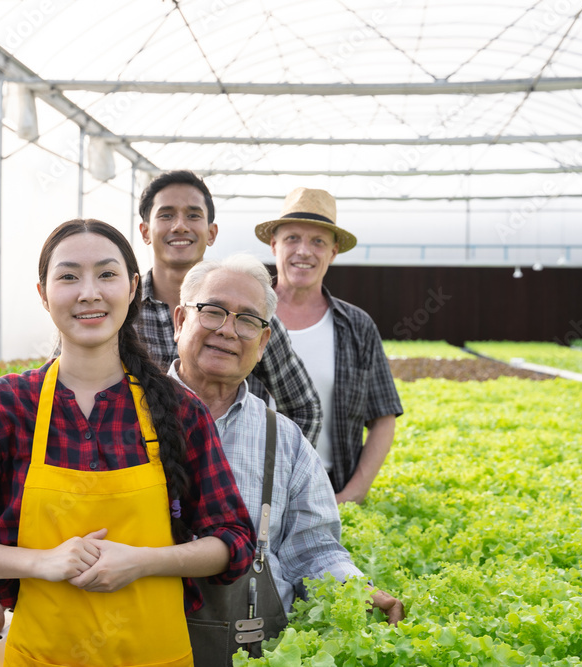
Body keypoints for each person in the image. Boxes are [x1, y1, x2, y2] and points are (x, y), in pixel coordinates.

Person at [0, 219, 256, 666]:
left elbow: (232, 541)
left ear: (133, 287)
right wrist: (41, 563)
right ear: (43, 293)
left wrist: (142, 561)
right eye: (69, 276)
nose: (89, 292)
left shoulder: (178, 410)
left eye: (107, 274)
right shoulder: (6, 407)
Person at [170, 255, 404, 664]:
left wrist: (357, 591)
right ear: (179, 321)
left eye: (247, 321)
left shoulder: (286, 440)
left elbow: (313, 549)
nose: (227, 330)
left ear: (262, 345)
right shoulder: (126, 417)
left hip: (251, 646)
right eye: (212, 312)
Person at [134, 170, 324, 447]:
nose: (179, 226)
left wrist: (272, 472)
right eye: (166, 215)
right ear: (145, 231)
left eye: (193, 215)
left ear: (211, 233)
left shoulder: (252, 318)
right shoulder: (122, 311)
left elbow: (304, 408)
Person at [255, 188, 403, 503]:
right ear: (274, 246)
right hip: (248, 484)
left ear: (333, 252)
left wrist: (352, 494)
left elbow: (383, 419)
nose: (304, 251)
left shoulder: (356, 327)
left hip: (327, 489)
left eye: (318, 241)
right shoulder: (247, 316)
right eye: (292, 238)